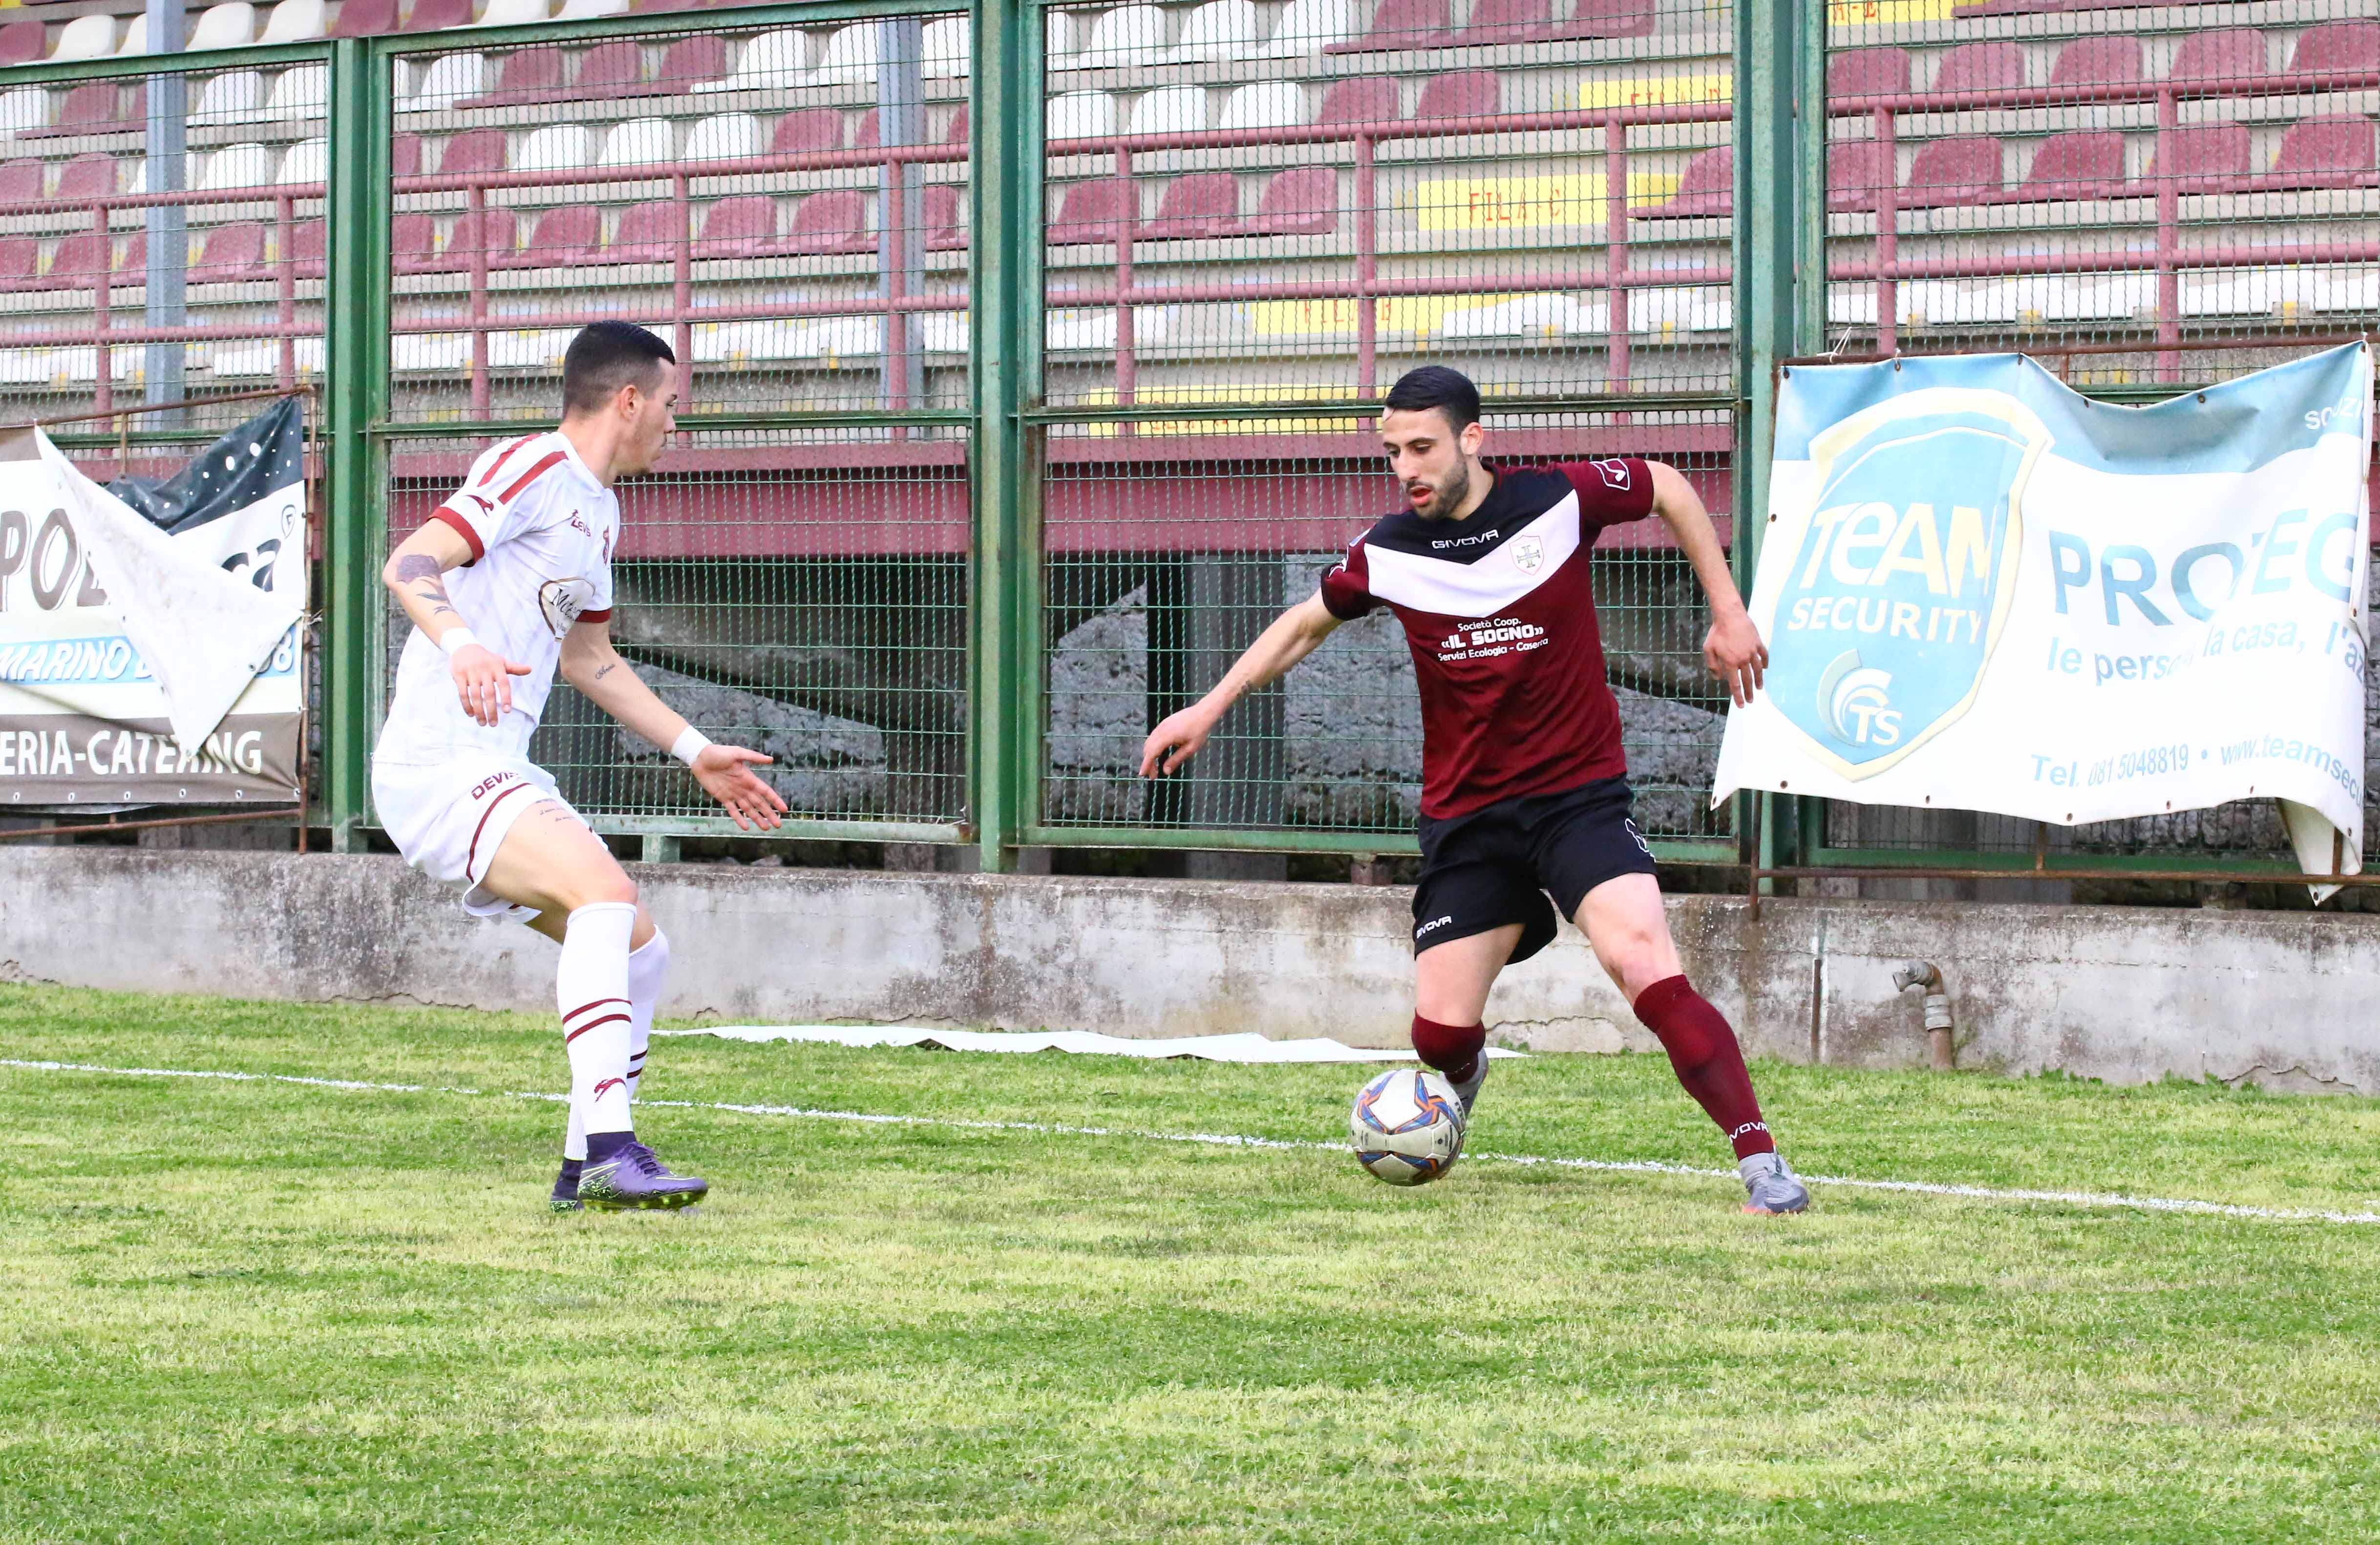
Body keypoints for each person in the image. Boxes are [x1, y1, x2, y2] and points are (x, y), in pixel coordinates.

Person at [1140, 366, 1809, 1214]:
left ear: (1472, 439)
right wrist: (1208, 706)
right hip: (1470, 818)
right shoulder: (1388, 549)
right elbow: (1304, 622)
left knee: (1642, 961)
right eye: (1391, 452)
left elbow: (1670, 487)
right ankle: (1486, 1013)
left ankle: (1762, 1164)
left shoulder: (1558, 501)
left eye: (1421, 448)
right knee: (1439, 1034)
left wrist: (1730, 612)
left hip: (1578, 799)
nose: (1406, 468)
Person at [371, 321, 789, 1214]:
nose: (676, 424)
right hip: (440, 763)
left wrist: (695, 752)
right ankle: (611, 1146)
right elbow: (407, 563)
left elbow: (589, 661)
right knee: (602, 896)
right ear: (629, 400)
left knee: (640, 948)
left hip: (492, 763)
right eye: (672, 405)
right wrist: (462, 644)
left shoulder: (602, 511)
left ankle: (578, 1168)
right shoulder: (531, 467)